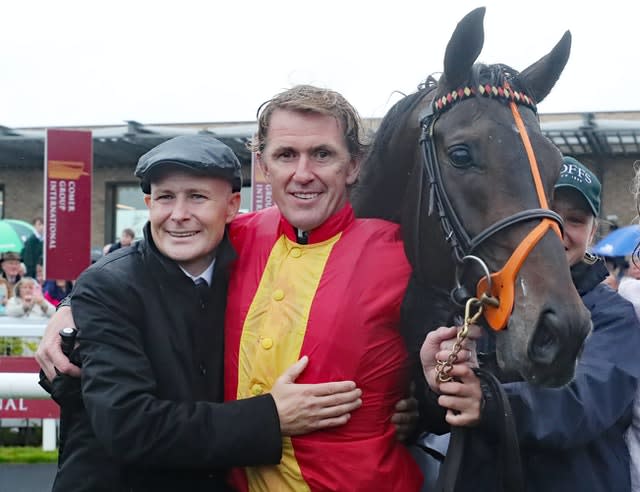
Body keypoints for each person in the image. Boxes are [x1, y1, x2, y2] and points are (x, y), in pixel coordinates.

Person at [38, 134, 363, 492]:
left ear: (232, 206)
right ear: (148, 203)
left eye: (197, 197)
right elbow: (129, 425)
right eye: (165, 197)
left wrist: (388, 404)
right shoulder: (109, 287)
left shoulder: (256, 269)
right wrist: (270, 416)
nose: (179, 215)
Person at [446, 156, 640, 491]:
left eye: (575, 220)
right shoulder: (478, 302)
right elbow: (441, 410)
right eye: (545, 210)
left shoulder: (614, 315)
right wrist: (431, 382)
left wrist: (491, 402)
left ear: (593, 233)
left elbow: (584, 403)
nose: (556, 230)